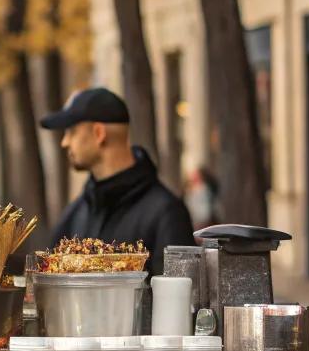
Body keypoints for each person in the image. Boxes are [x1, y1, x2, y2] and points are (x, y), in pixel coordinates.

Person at [41, 87, 194, 275]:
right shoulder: (76, 213)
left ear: (99, 133)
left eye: (72, 131)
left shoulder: (167, 214)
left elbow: (180, 297)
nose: (65, 142)